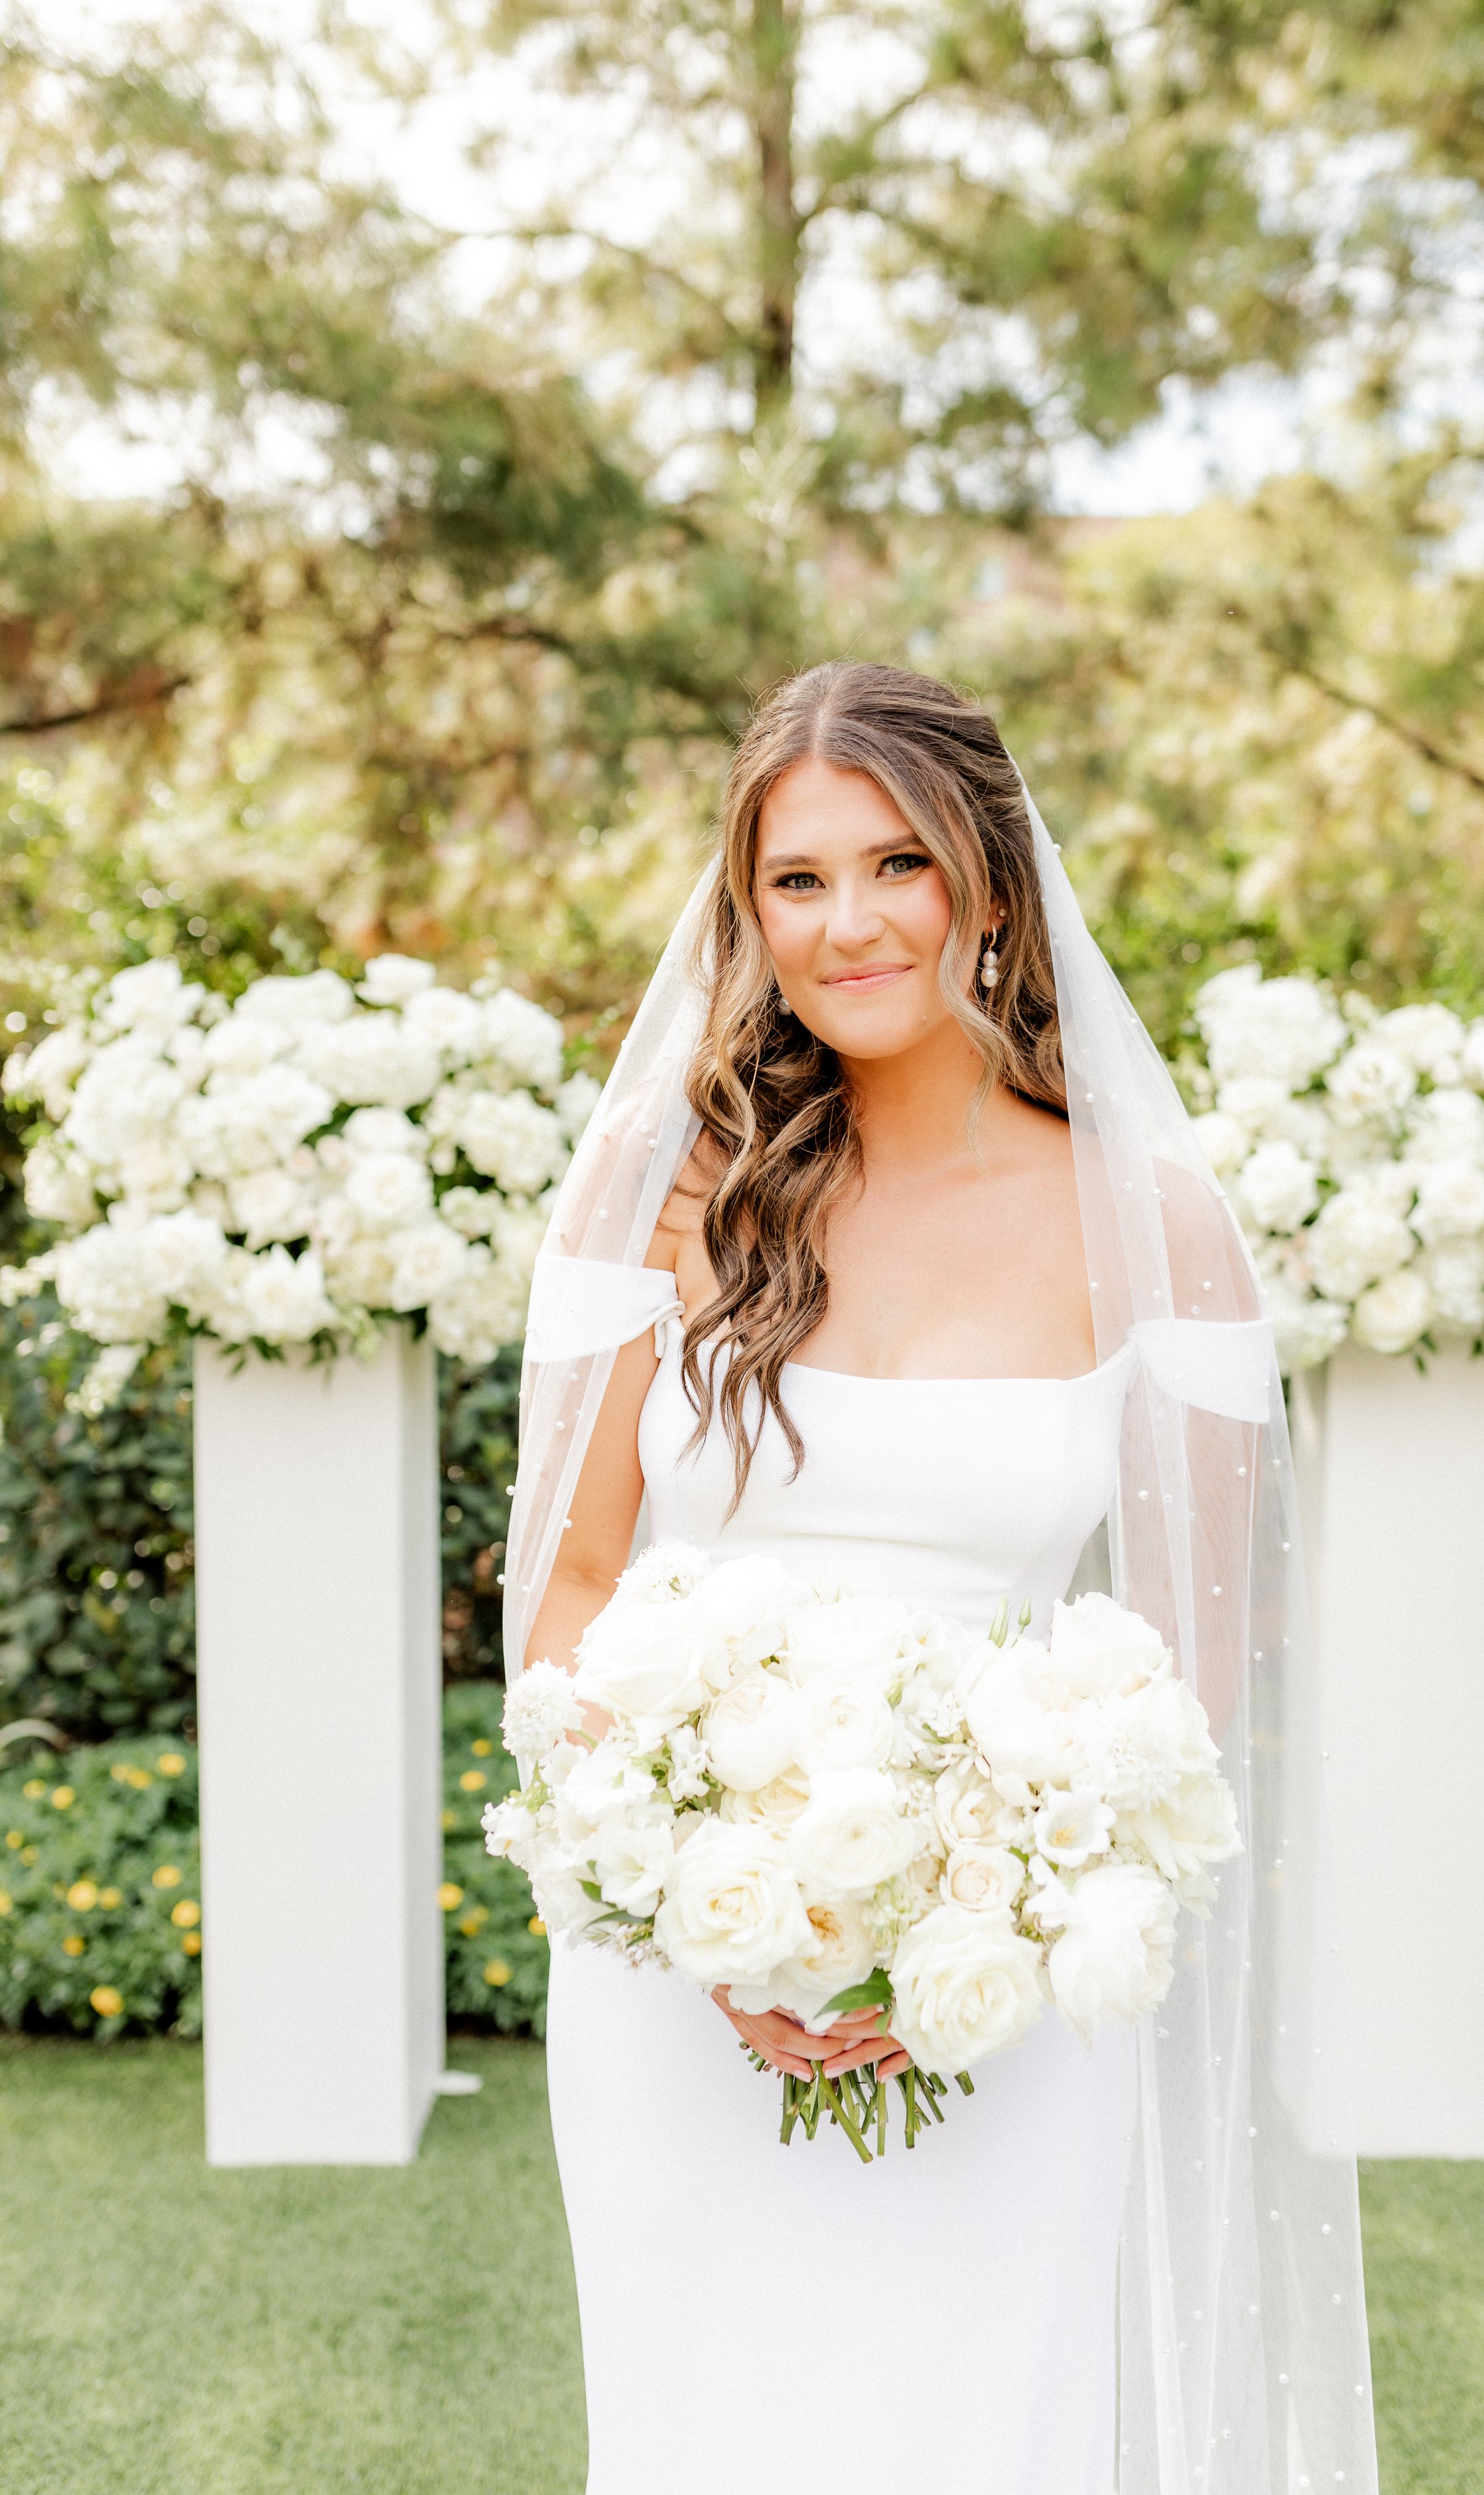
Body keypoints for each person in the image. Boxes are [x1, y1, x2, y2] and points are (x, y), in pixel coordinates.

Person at [504, 663, 1379, 2495]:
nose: (848, 925)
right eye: (796, 880)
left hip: (1006, 1983)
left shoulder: (1150, 1225)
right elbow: (573, 1586)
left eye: (894, 865)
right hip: (680, 1987)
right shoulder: (659, 1187)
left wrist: (988, 1908)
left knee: (981, 2433)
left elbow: (1204, 1664)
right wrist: (698, 1914)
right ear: (746, 912)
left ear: (987, 880)